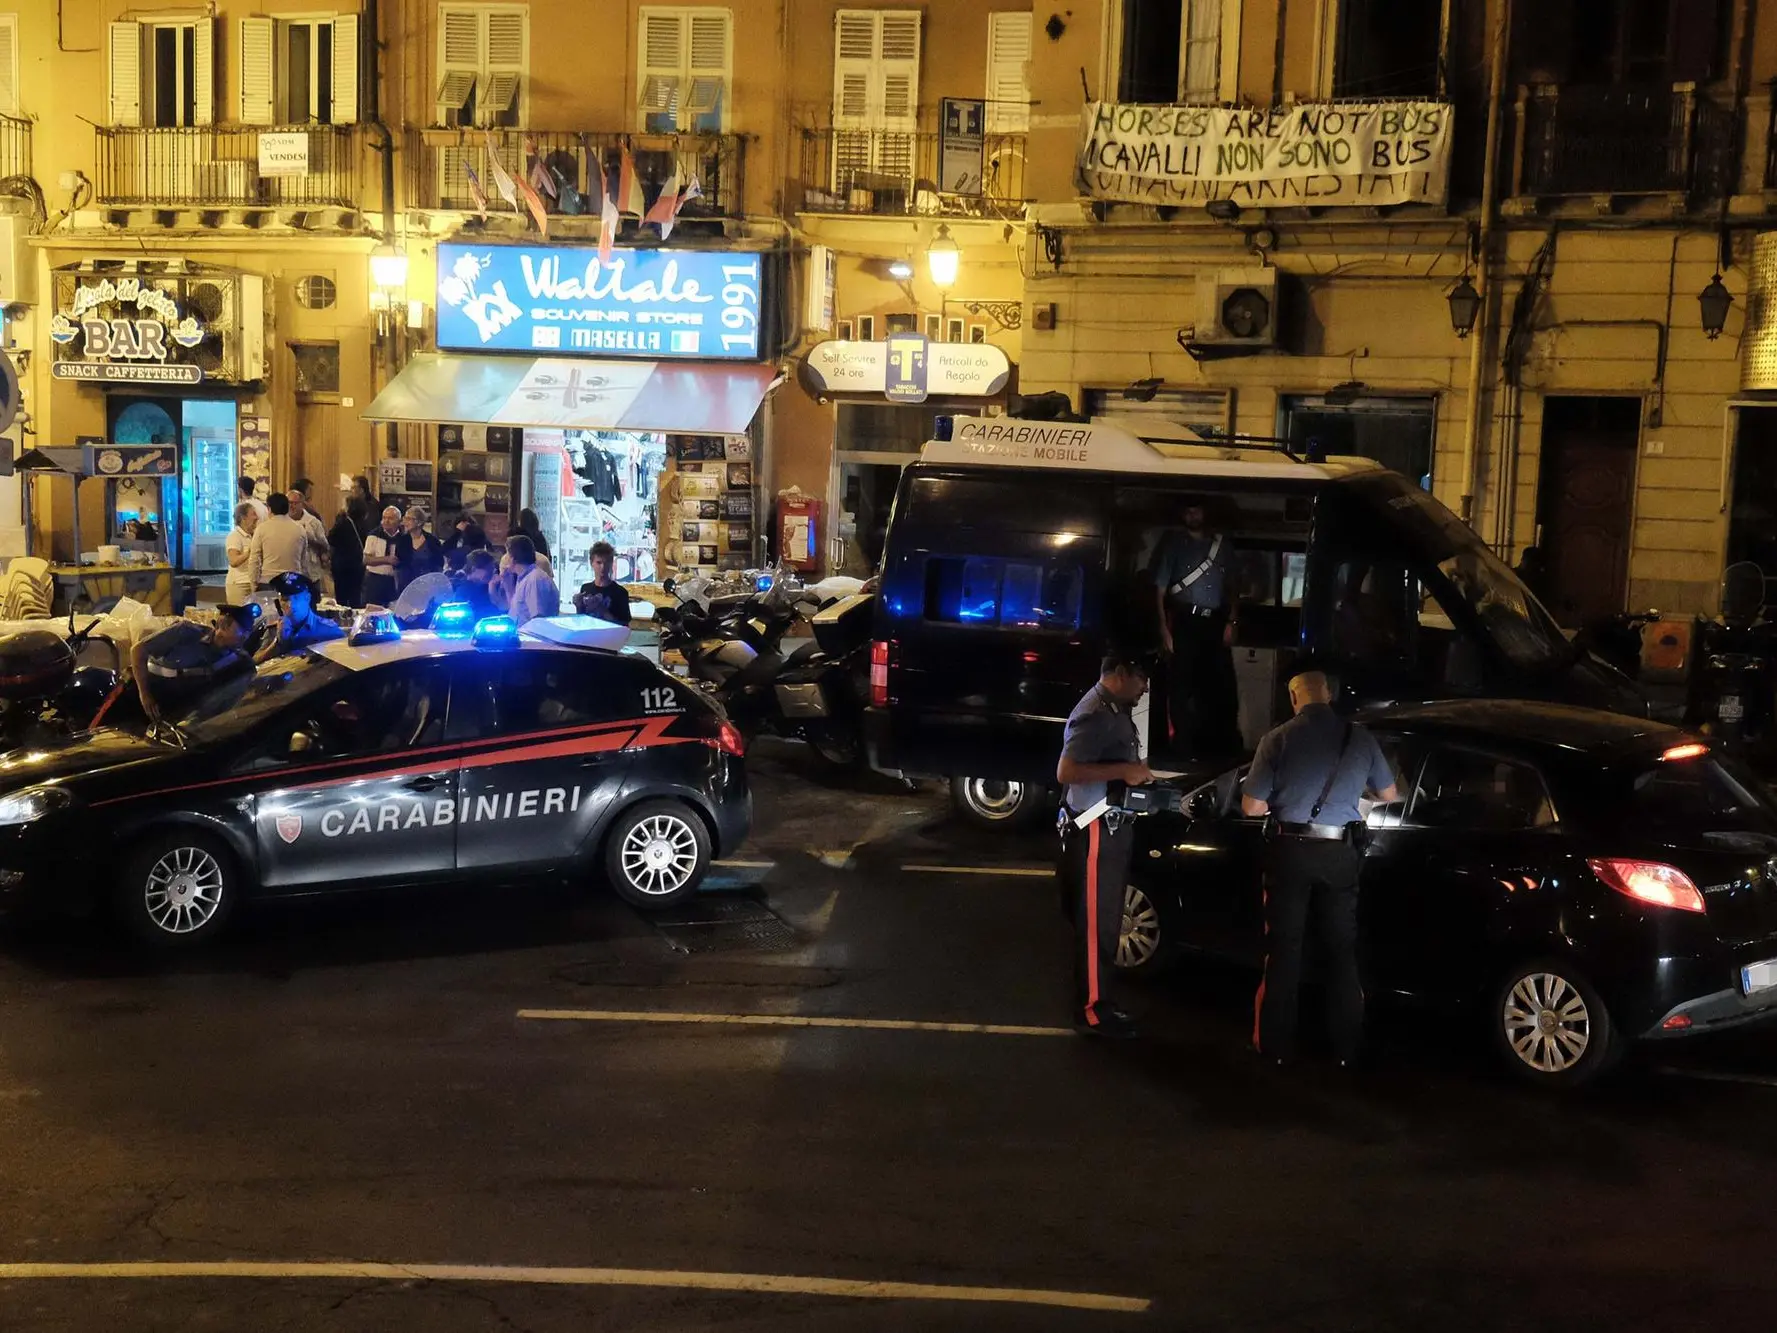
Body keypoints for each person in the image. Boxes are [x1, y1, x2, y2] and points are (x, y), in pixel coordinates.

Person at [1240, 670, 1400, 1068]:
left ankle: (1274, 1047)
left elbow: (1251, 807)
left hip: (1289, 851)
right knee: (1341, 951)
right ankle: (1345, 1048)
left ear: (1295, 698)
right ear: (1328, 694)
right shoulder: (1359, 738)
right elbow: (1389, 793)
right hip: (1338, 853)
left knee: (1283, 950)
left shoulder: (1277, 739)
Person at [1056, 653, 1154, 1040]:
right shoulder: (1095, 712)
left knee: (1107, 922)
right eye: (1141, 678)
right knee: (1097, 925)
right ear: (1121, 673)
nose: (1145, 688)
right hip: (1095, 826)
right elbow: (1066, 771)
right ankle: (1092, 1012)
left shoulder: (1111, 707)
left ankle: (1100, 1001)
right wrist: (1124, 771)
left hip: (1108, 824)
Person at [1152, 501, 1241, 758]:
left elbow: (1234, 586)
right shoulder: (1175, 545)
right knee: (1181, 685)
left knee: (1218, 685)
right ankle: (1183, 746)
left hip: (1214, 622)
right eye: (1188, 510)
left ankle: (1215, 745)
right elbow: (1159, 591)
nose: (1192, 515)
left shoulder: (1222, 546)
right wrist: (1164, 630)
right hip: (1184, 622)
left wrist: (1232, 622)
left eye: (1197, 510)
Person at [132, 604, 258, 727]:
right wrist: (144, 694)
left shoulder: (238, 658)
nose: (245, 638)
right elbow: (137, 650)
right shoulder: (185, 631)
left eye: (248, 633)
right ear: (223, 627)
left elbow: (252, 669)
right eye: (242, 632)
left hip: (189, 701)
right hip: (158, 690)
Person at [260, 572, 344, 658]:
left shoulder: (328, 630)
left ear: (307, 598)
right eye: (285, 599)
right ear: (278, 603)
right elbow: (253, 664)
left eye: (296, 598)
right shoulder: (273, 630)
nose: (290, 604)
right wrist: (277, 643)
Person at [247, 492, 309, 588]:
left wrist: (254, 582)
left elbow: (254, 559)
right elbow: (304, 559)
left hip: (268, 581)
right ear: (287, 508)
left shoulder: (262, 528)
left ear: (270, 509)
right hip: (293, 580)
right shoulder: (300, 528)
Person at [499, 534, 559, 626]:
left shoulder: (535, 579)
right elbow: (517, 612)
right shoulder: (525, 579)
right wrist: (507, 585)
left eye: (507, 554)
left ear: (512, 558)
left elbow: (538, 618)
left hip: (530, 639)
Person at [574, 540, 632, 625]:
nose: (603, 567)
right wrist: (578, 606)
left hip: (609, 637)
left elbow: (624, 627)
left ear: (611, 563)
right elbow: (581, 621)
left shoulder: (620, 593)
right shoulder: (585, 589)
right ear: (591, 563)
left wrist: (603, 611)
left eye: (607, 562)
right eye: (599, 562)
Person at [287, 485, 330, 587]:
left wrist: (310, 540)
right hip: (290, 572)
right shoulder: (283, 522)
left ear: (302, 504)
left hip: (311, 572)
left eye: (295, 503)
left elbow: (325, 547)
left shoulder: (313, 522)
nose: (291, 506)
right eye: (289, 503)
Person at [395, 507, 445, 591]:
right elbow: (398, 566)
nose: (405, 522)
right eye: (405, 518)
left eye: (409, 519)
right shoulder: (402, 541)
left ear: (419, 522)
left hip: (428, 587)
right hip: (407, 587)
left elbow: (439, 565)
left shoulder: (432, 541)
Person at [329, 499, 367, 607]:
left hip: (342, 565)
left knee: (342, 598)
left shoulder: (343, 523)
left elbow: (331, 539)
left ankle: (343, 619)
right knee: (355, 596)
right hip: (358, 565)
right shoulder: (363, 524)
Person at [362, 506, 402, 607]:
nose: (386, 521)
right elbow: (366, 560)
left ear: (398, 521)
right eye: (384, 518)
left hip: (393, 581)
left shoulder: (403, 537)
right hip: (375, 580)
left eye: (390, 518)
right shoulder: (374, 535)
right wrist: (386, 559)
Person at [453, 549, 502, 621]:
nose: (492, 572)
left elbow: (500, 608)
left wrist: (492, 588)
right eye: (488, 569)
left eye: (493, 569)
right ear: (474, 569)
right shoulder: (462, 589)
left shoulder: (491, 585)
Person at [224, 502, 258, 605]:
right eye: (253, 514)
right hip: (239, 585)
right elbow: (233, 561)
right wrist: (250, 552)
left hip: (250, 583)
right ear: (243, 518)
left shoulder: (253, 535)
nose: (257, 517)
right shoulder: (235, 536)